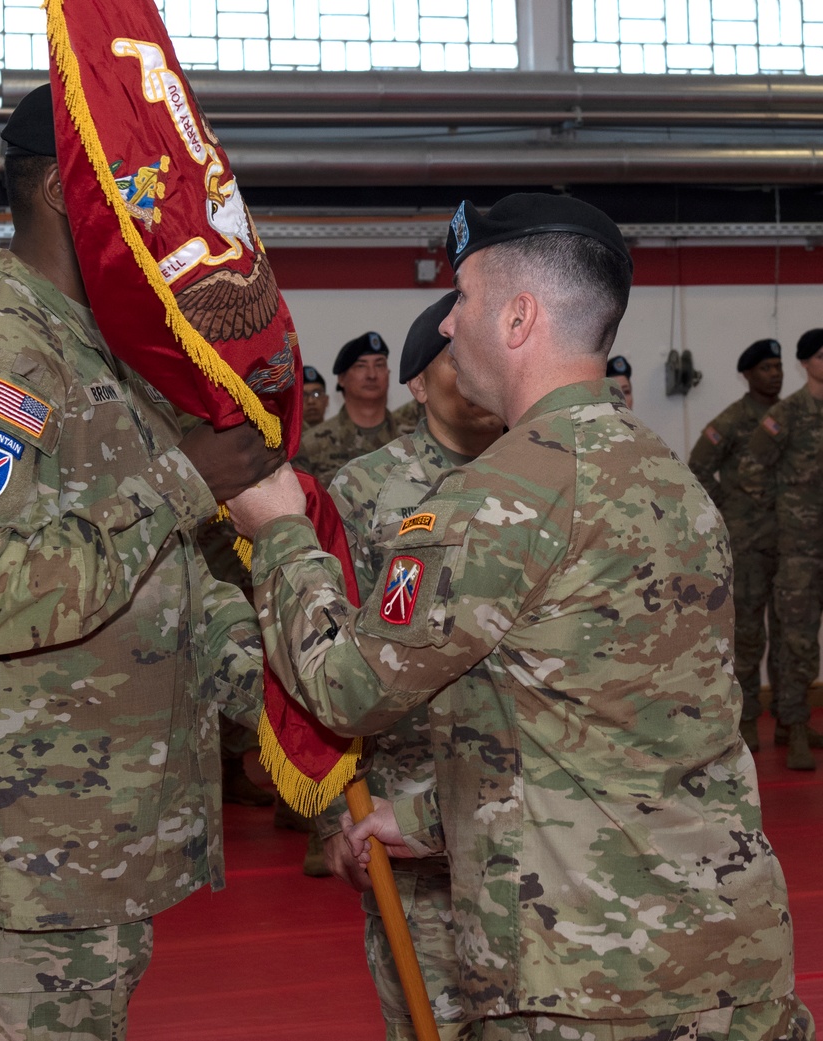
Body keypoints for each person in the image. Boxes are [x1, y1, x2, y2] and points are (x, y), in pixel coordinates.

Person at [227, 193, 811, 1039]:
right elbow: (620, 730)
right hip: (728, 954)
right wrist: (424, 819)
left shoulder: (499, 496)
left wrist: (281, 532)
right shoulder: (670, 482)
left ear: (518, 316)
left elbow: (349, 687)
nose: (450, 325)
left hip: (584, 978)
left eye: (462, 298)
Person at [0, 84, 283, 1041]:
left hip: (81, 849)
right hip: (10, 859)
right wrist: (183, 479)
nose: (163, 215)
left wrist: (277, 696)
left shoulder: (102, 353)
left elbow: (165, 576)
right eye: (140, 186)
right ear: (61, 190)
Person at [319, 290, 504, 1040]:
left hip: (528, 809)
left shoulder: (537, 474)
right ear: (419, 384)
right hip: (412, 813)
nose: (472, 372)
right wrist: (337, 809)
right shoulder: (364, 490)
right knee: (431, 1015)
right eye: (451, 361)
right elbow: (327, 654)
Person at [687, 338, 784, 753]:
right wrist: (731, 510)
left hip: (792, 542)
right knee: (747, 635)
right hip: (749, 544)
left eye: (779, 366)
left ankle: (788, 717)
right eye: (765, 367)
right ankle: (745, 724)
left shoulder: (791, 415)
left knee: (790, 632)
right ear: (747, 374)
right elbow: (699, 468)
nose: (775, 374)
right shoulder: (732, 420)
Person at [740, 328, 823, 771]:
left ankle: (797, 722)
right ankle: (792, 728)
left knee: (808, 647)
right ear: (805, 363)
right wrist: (781, 517)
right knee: (797, 642)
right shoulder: (789, 414)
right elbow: (752, 467)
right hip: (799, 552)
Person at [293, 331, 409, 487]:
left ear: (388, 374)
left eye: (379, 365)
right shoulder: (310, 445)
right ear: (341, 379)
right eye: (361, 366)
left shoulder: (411, 440)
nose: (372, 375)